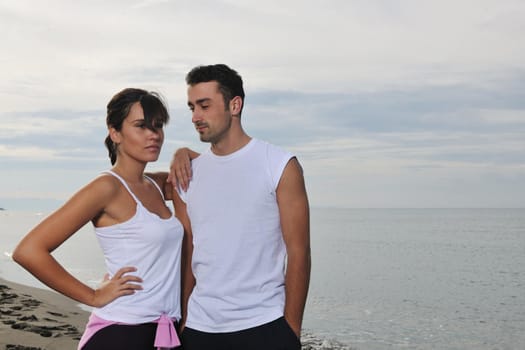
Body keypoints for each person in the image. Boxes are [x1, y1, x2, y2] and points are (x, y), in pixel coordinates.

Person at [13, 88, 183, 350]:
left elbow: (203, 175)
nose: (154, 135)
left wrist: (184, 153)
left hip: (162, 330)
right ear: (115, 133)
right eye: (141, 126)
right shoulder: (107, 187)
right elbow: (28, 251)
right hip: (120, 333)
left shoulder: (156, 185)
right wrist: (92, 295)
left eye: (158, 126)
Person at [169, 64, 311, 350]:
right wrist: (183, 319)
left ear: (235, 105)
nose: (196, 117)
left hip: (264, 325)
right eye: (192, 107)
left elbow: (299, 252)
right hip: (199, 328)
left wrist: (291, 329)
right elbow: (189, 252)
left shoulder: (279, 165)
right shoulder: (187, 174)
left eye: (204, 105)